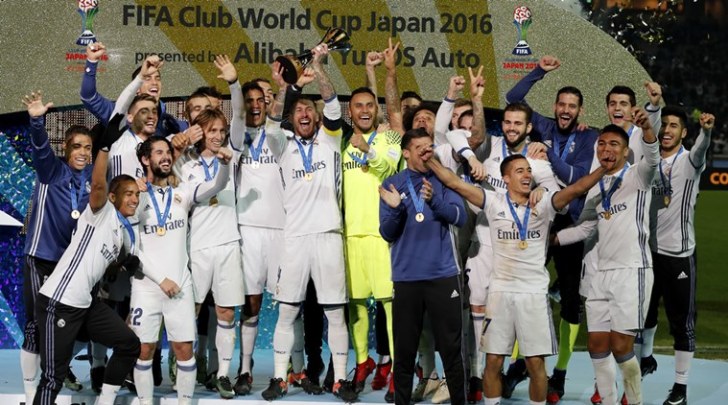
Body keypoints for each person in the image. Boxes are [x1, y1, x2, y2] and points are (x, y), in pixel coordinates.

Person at [424, 145, 612, 405]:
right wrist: (429, 160)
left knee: (535, 364)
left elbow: (577, 188)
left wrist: (603, 168)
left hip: (533, 294)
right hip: (500, 293)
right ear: (506, 178)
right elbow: (454, 182)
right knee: (493, 361)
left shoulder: (544, 203)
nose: (526, 175)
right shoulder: (494, 202)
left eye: (528, 171)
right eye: (519, 171)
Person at [261, 45, 357, 403]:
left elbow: (332, 103)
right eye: (298, 110)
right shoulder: (281, 144)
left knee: (335, 313)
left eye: (309, 110)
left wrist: (319, 68)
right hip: (295, 238)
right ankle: (279, 378)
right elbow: (272, 120)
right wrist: (286, 86)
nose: (304, 113)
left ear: (317, 119)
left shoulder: (331, 141)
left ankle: (340, 380)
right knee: (287, 311)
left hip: (329, 236)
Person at [505, 55, 599, 397]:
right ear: (555, 106)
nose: (565, 110)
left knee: (571, 302)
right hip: (538, 220)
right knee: (525, 291)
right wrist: (539, 71)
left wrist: (547, 153)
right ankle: (518, 366)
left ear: (580, 111)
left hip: (569, 224)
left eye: (572, 106)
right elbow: (513, 97)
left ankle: (559, 372)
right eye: (561, 104)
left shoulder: (589, 137)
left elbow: (575, 177)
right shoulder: (543, 125)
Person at [32, 111, 141, 405]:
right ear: (113, 198)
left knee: (129, 344)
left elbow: (106, 263)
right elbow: (98, 184)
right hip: (59, 301)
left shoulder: (123, 234)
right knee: (53, 377)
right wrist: (103, 148)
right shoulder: (100, 212)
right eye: (127, 194)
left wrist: (124, 265)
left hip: (86, 304)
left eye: (136, 195)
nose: (134, 199)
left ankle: (105, 401)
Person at [553, 108, 659, 405]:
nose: (606, 149)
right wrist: (552, 240)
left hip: (632, 270)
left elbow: (653, 158)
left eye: (614, 144)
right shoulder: (595, 185)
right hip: (600, 274)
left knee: (621, 346)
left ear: (626, 151)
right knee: (597, 345)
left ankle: (634, 401)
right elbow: (585, 227)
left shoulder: (638, 176)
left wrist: (647, 129)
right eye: (602, 144)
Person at [130, 136, 231, 405]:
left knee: (184, 349)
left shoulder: (183, 192)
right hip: (146, 286)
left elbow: (217, 185)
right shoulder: (135, 196)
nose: (165, 157)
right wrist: (160, 279)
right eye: (158, 152)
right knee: (144, 350)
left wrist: (224, 165)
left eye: (167, 152)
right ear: (145, 159)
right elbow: (132, 248)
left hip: (180, 286)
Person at [379, 127, 468, 405]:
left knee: (451, 350)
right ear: (406, 153)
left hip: (443, 275)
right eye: (420, 148)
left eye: (430, 147)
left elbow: (460, 217)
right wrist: (396, 208)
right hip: (406, 278)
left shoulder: (443, 179)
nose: (427, 152)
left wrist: (436, 201)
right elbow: (387, 233)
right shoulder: (392, 184)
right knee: (405, 352)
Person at [20, 91, 93, 404]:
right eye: (77, 146)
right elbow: (40, 147)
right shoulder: (51, 170)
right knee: (36, 327)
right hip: (40, 259)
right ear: (66, 148)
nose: (82, 152)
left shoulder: (92, 178)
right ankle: (30, 393)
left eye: (87, 147)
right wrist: (37, 121)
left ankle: (59, 367)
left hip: (70, 266)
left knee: (80, 327)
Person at [643, 108, 714, 405]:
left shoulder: (689, 161)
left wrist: (706, 132)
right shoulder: (650, 160)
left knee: (682, 323)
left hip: (678, 254)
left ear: (683, 132)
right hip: (648, 252)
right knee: (643, 315)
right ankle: (646, 359)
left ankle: (680, 388)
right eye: (664, 125)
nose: (667, 130)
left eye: (674, 126)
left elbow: (701, 149)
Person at [173, 108, 245, 399]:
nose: (218, 136)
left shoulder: (233, 155)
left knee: (226, 312)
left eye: (221, 130)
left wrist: (226, 163)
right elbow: (209, 190)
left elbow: (240, 115)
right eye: (211, 130)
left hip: (228, 243)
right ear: (200, 132)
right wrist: (183, 143)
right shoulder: (186, 165)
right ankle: (183, 368)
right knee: (190, 311)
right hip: (198, 246)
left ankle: (223, 375)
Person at [343, 85, 401, 400]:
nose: (364, 110)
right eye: (358, 106)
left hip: (382, 235)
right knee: (356, 305)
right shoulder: (342, 143)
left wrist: (367, 149)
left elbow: (389, 169)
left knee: (389, 306)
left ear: (376, 110)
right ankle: (363, 361)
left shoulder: (389, 139)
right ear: (349, 111)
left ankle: (397, 371)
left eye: (369, 105)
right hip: (351, 235)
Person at [80, 42, 184, 134]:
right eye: (147, 78)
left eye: (158, 78)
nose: (154, 83)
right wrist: (92, 61)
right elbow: (89, 97)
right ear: (137, 88)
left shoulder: (171, 124)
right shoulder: (120, 114)